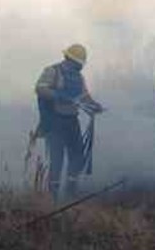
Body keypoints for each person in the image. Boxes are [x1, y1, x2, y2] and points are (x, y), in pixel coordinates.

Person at [35, 43, 104, 201]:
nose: (80, 67)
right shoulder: (52, 71)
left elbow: (84, 96)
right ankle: (52, 196)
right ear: (70, 60)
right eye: (79, 63)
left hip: (71, 121)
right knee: (57, 159)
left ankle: (70, 191)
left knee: (77, 156)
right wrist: (60, 96)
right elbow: (40, 88)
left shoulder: (79, 77)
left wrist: (94, 105)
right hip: (54, 121)